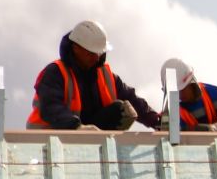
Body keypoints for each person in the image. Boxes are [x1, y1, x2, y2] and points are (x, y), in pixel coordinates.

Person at [27, 20, 163, 132]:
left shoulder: (105, 75)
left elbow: (132, 99)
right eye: (91, 52)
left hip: (88, 134)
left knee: (121, 110)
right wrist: (76, 127)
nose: (96, 57)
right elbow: (51, 107)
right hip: (48, 139)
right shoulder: (55, 72)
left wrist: (157, 122)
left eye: (99, 53)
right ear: (76, 48)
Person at [165, 59, 217, 132]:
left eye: (182, 90)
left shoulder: (214, 94)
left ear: (191, 83)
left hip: (216, 142)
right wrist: (202, 129)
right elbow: (173, 133)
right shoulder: (173, 110)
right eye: (176, 92)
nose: (179, 95)